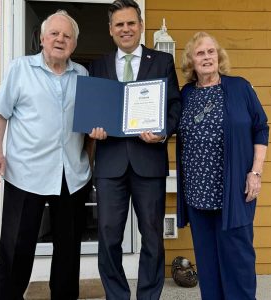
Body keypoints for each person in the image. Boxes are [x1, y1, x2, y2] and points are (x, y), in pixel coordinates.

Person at [0, 10, 91, 300]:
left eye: (67, 35)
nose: (60, 39)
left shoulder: (82, 75)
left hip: (71, 176)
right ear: (42, 38)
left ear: (74, 43)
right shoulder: (20, 68)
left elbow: (88, 125)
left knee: (68, 252)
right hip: (26, 174)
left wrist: (90, 159)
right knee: (16, 248)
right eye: (54, 34)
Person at [88, 0, 181, 299]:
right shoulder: (98, 65)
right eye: (119, 25)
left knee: (153, 237)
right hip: (110, 163)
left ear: (141, 26)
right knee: (108, 236)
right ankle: (117, 295)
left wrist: (162, 131)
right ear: (111, 31)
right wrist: (94, 128)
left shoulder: (162, 62)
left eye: (130, 23)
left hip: (149, 161)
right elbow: (93, 110)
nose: (125, 29)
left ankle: (148, 296)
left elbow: (174, 106)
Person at [176, 31, 269, 300]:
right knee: (207, 265)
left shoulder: (239, 87)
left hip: (234, 192)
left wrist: (256, 172)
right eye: (200, 53)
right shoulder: (186, 95)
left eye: (211, 52)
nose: (206, 57)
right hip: (197, 195)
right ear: (191, 61)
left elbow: (260, 128)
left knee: (238, 261)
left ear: (219, 57)